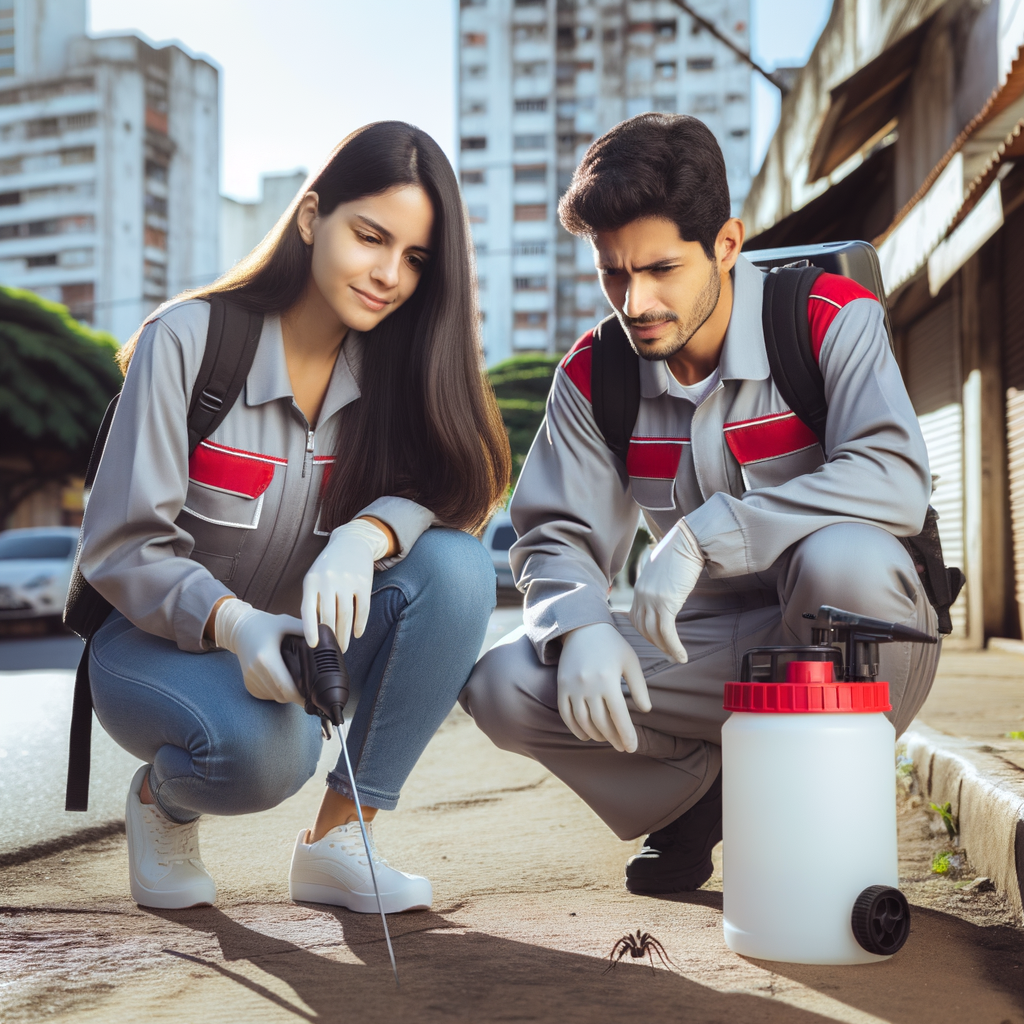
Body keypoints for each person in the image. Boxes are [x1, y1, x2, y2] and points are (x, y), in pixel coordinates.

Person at [462, 113, 940, 896]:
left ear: (726, 244)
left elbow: (891, 475)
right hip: (713, 647)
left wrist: (708, 533)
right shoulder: (595, 376)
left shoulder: (828, 319)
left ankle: (808, 796)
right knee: (504, 684)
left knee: (841, 559)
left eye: (660, 269)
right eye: (613, 273)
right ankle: (700, 796)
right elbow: (553, 536)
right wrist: (580, 625)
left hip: (861, 636)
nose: (635, 299)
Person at [79, 121, 510, 912]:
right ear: (312, 218)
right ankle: (162, 804)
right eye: (371, 237)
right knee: (266, 754)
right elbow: (120, 547)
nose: (389, 275)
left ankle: (341, 841)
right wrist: (234, 624)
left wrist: (366, 532)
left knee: (457, 569)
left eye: (415, 259)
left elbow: (454, 489)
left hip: (296, 642)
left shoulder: (395, 370)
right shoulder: (189, 342)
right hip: (150, 645)